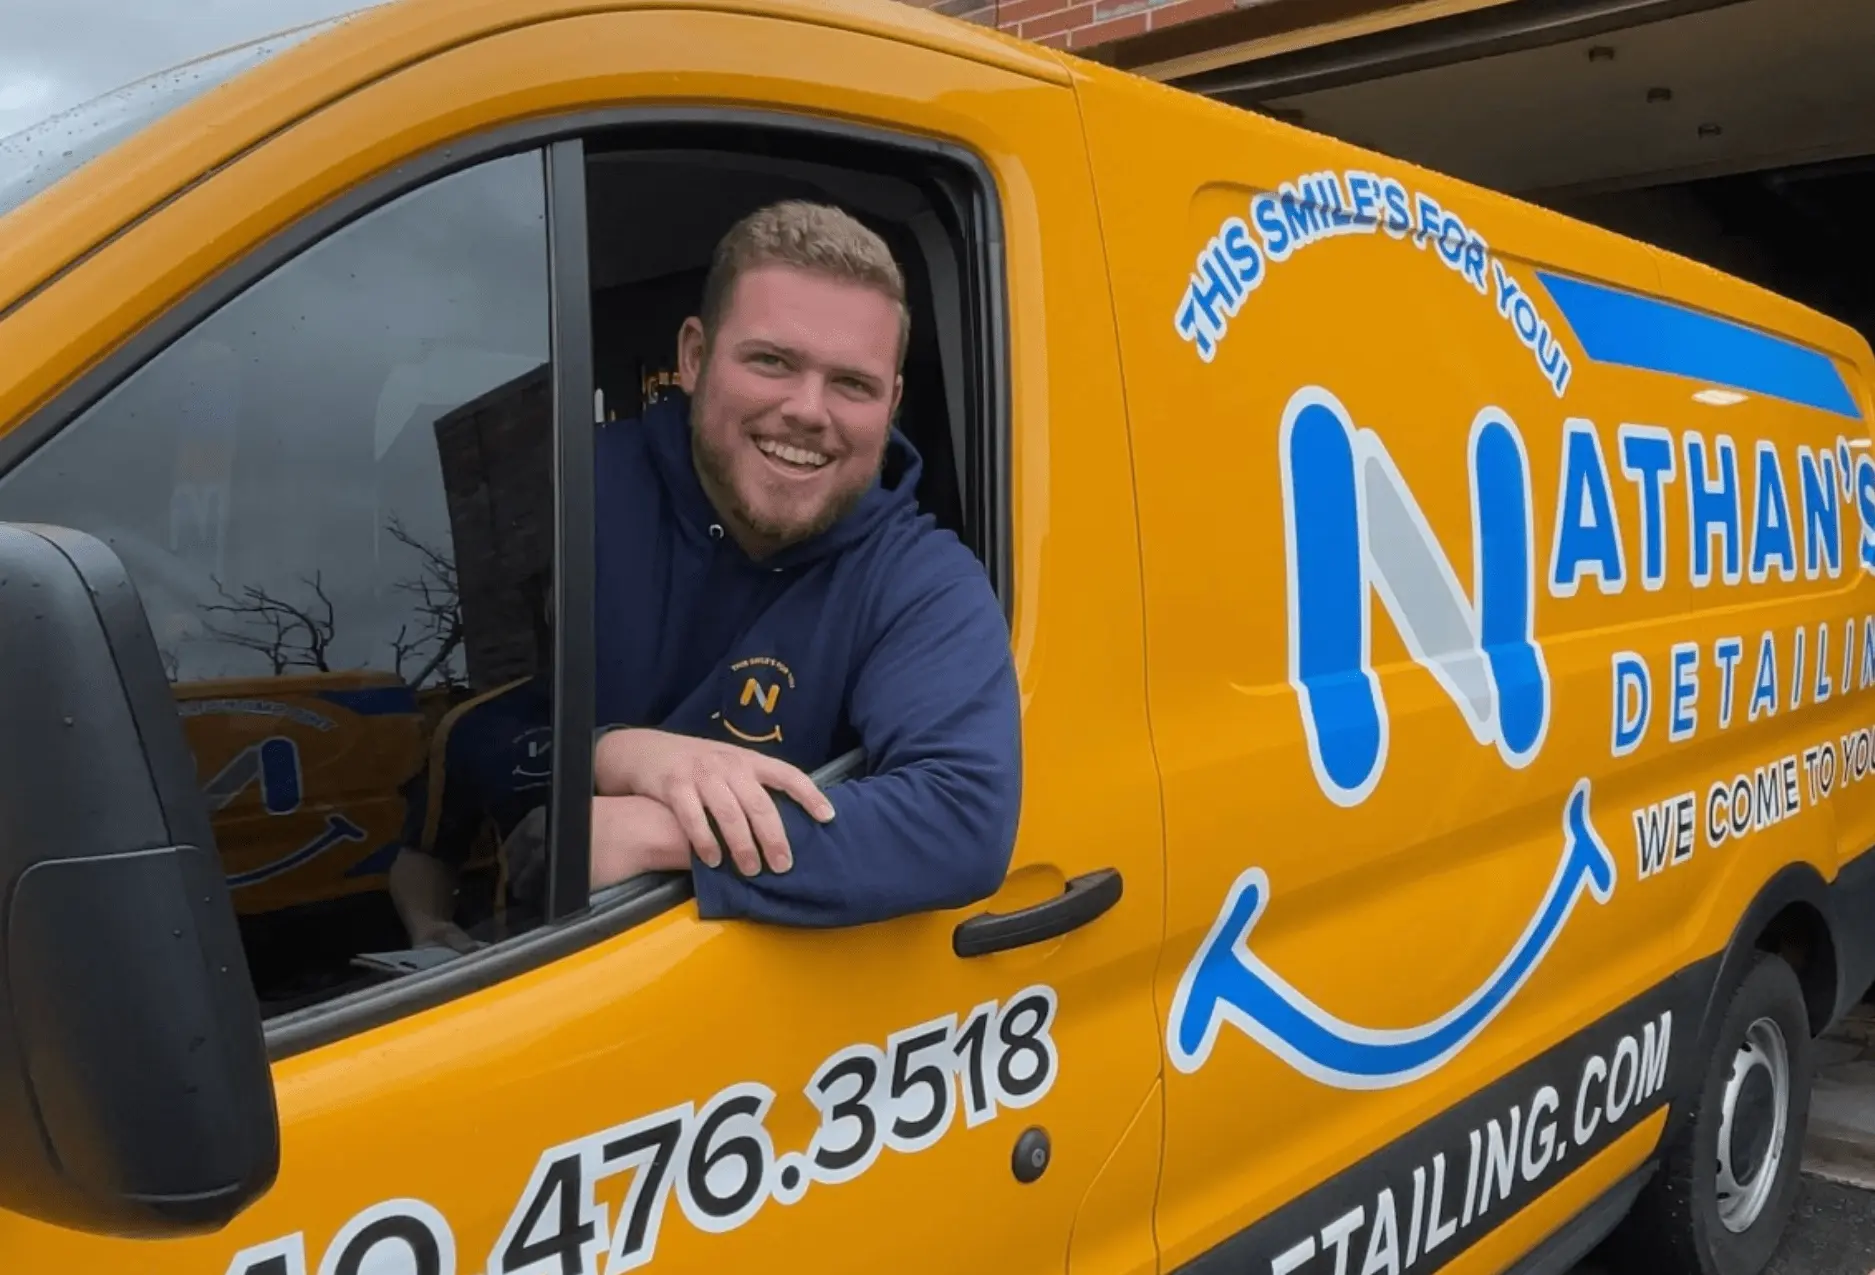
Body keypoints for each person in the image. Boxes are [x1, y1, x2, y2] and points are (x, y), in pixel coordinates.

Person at [587, 199, 1022, 928]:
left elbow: (960, 820)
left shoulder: (917, 575)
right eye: (771, 361)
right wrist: (618, 758)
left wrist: (658, 833)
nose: (808, 410)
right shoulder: (574, 496)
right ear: (693, 357)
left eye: (852, 384)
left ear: (892, 404)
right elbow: (466, 736)